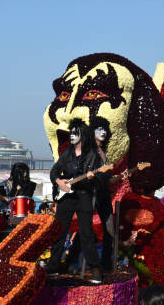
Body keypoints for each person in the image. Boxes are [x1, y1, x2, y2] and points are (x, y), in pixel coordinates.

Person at [45, 118, 104, 284]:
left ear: (82, 135)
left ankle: (95, 269)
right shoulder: (68, 153)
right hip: (66, 197)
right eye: (71, 132)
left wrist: (92, 178)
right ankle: (53, 266)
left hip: (83, 196)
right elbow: (54, 171)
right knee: (59, 231)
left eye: (75, 133)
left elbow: (100, 178)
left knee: (86, 234)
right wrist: (59, 182)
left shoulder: (92, 155)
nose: (71, 136)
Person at [65, 116, 114, 271]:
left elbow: (105, 176)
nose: (103, 132)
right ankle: (71, 261)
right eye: (99, 129)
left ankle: (106, 264)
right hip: (88, 192)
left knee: (110, 228)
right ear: (92, 131)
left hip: (102, 193)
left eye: (105, 129)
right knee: (85, 229)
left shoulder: (103, 151)